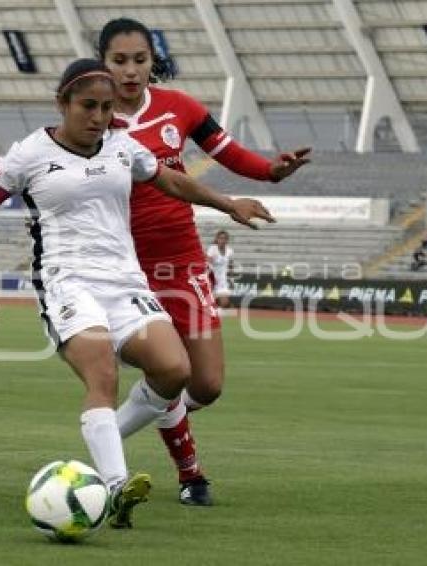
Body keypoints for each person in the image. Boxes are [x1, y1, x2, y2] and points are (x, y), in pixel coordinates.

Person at [0, 59, 274, 529]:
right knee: (101, 371)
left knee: (174, 369)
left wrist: (228, 204)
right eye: (88, 106)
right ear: (62, 104)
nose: (99, 117)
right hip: (67, 282)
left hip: (125, 283)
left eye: (106, 108)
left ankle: (100, 441)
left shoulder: (122, 145)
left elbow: (168, 179)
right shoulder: (27, 154)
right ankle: (113, 486)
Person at [98, 17, 310, 506]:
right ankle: (189, 474)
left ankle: (156, 415)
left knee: (208, 384)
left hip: (182, 258)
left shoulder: (180, 108)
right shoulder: (94, 116)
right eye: (119, 61)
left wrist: (272, 173)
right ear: (104, 63)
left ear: (153, 61)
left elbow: (229, 153)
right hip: (123, 264)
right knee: (168, 370)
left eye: (139, 60)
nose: (130, 71)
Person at [206, 230, 234, 309]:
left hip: (223, 281)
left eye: (225, 239)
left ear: (227, 240)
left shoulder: (230, 251)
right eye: (221, 238)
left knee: (225, 304)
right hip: (212, 280)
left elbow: (231, 266)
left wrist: (231, 279)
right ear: (217, 239)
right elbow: (207, 264)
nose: (222, 240)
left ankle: (217, 316)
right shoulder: (212, 249)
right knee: (210, 304)